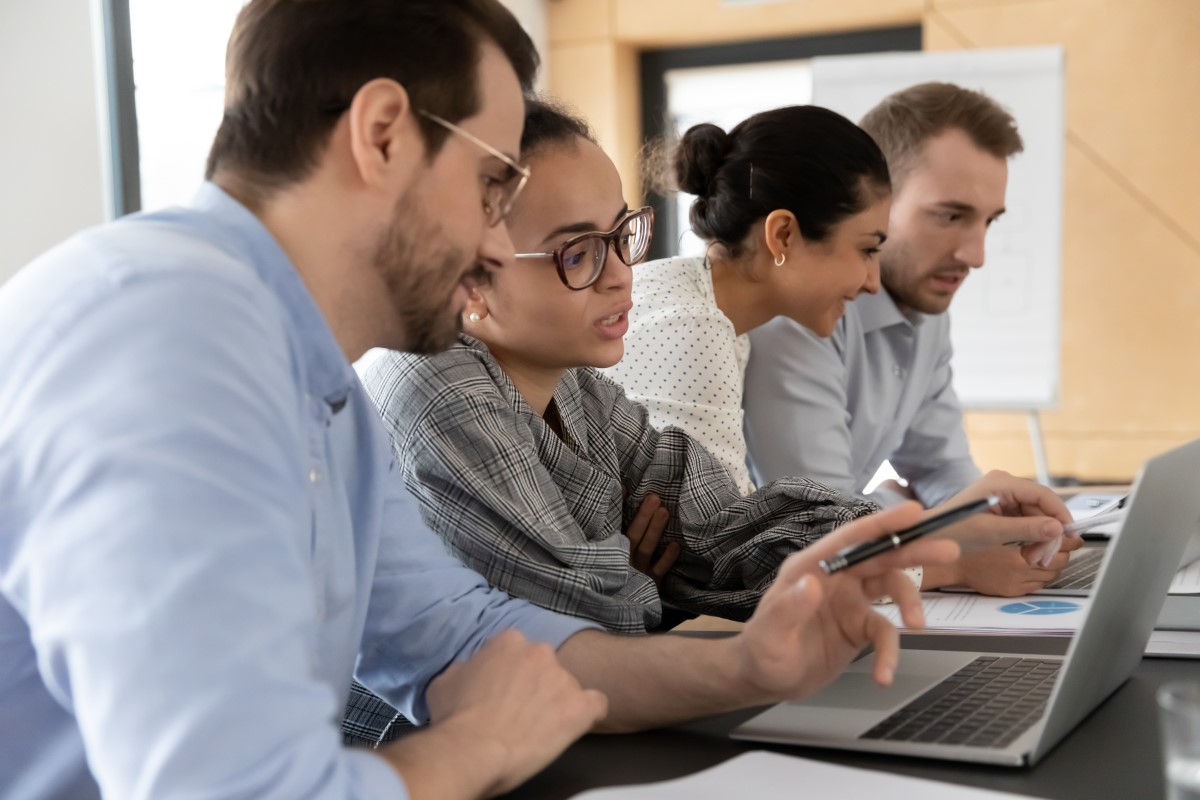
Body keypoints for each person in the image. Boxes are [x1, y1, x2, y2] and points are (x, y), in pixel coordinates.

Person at [0, 3, 965, 798]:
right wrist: (470, 748)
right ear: (381, 136)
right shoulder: (169, 338)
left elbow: (461, 637)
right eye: (495, 184)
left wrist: (746, 666)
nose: (499, 243)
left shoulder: (313, 376)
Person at [604, 103, 1074, 596]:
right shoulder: (692, 326)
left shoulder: (716, 319)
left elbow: (741, 539)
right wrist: (952, 563)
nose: (873, 282)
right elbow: (744, 559)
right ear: (782, 235)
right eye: (867, 249)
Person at [741, 84, 1067, 596]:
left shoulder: (926, 306)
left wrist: (1008, 530)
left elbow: (939, 466)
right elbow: (827, 531)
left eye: (988, 221)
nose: (976, 254)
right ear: (874, 201)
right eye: (950, 216)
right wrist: (918, 523)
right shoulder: (797, 314)